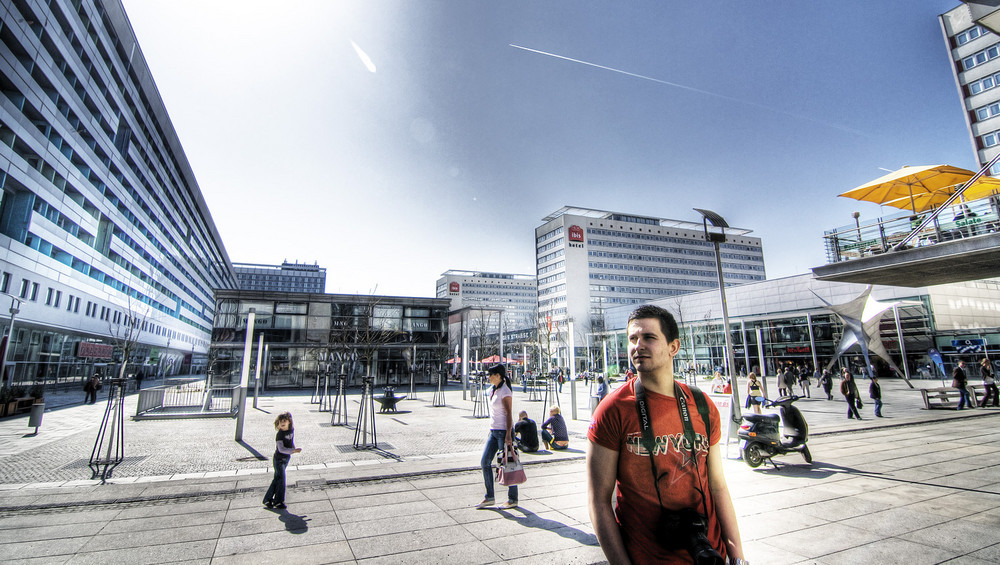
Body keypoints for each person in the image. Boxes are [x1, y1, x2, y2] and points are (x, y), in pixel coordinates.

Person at [587, 305, 745, 565]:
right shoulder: (612, 410)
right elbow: (598, 500)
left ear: (674, 347)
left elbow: (718, 486)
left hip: (710, 554)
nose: (638, 345)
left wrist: (738, 557)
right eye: (633, 339)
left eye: (649, 337)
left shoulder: (702, 405)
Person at [476, 364, 518, 509]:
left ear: (498, 376)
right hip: (494, 432)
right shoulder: (494, 390)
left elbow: (508, 413)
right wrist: (490, 428)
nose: (488, 377)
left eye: (491, 374)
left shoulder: (505, 391)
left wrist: (508, 434)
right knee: (485, 462)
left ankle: (513, 499)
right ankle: (490, 497)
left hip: (503, 432)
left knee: (507, 465)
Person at [263, 411, 302, 510]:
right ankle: (278, 501)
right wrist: (293, 451)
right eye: (280, 422)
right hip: (279, 459)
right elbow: (281, 449)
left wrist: (293, 447)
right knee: (281, 480)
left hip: (286, 459)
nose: (282, 424)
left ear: (289, 422)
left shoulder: (291, 430)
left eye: (284, 422)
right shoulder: (279, 435)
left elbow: (290, 441)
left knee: (277, 479)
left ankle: (267, 499)